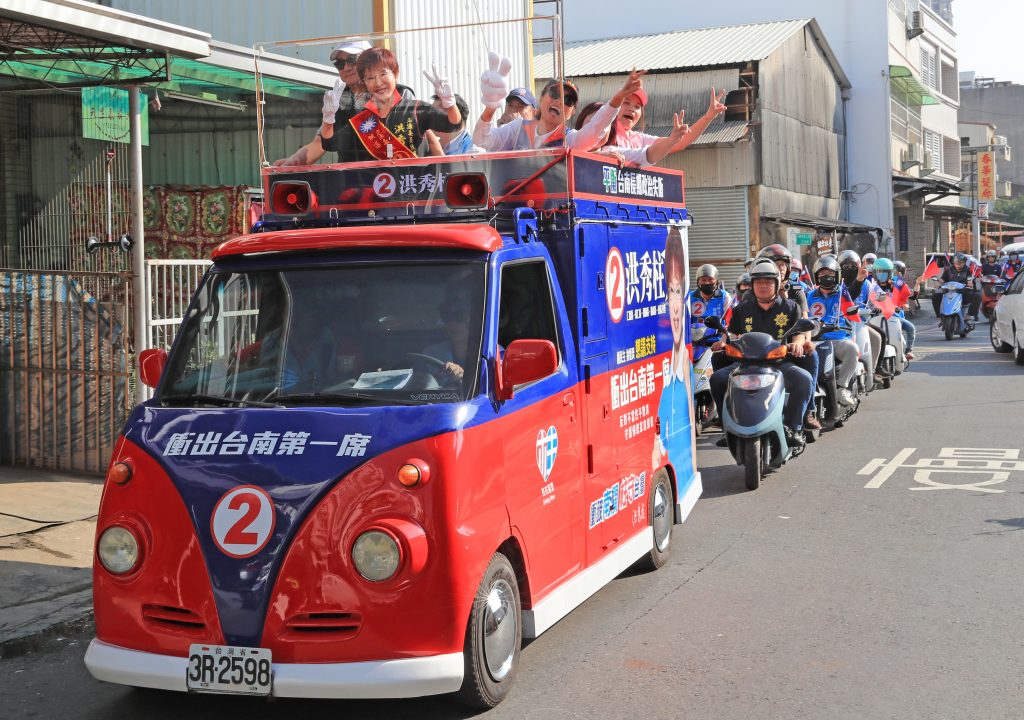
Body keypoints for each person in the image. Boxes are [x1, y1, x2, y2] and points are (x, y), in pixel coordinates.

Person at [709, 258, 815, 449]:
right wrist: (723, 342)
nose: (763, 286)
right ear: (752, 285)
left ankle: (793, 428)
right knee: (717, 379)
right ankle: (728, 428)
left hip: (779, 363)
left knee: (804, 379)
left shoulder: (791, 307)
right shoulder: (742, 309)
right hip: (744, 365)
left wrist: (798, 344)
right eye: (758, 282)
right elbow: (731, 334)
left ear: (777, 283)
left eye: (768, 282)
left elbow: (799, 335)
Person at [473, 51, 644, 151]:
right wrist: (491, 106)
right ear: (541, 98)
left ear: (572, 112)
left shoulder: (570, 140)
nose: (560, 102)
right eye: (555, 93)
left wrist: (620, 96)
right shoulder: (518, 128)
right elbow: (482, 140)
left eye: (568, 100)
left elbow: (596, 129)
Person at [320, 47, 461, 161]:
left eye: (383, 74)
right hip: (377, 186)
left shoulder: (416, 109)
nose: (378, 83)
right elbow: (329, 143)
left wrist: (449, 102)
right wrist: (328, 118)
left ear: (395, 74)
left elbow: (453, 124)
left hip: (413, 184)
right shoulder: (362, 120)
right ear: (365, 83)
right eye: (370, 78)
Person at [273, 40, 374, 166]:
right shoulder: (338, 99)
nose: (346, 68)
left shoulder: (387, 94)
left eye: (352, 60)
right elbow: (319, 143)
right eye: (340, 63)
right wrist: (294, 160)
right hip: (349, 175)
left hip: (387, 174)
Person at [652, 227, 695, 474]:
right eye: (670, 291)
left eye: (679, 291)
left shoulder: (685, 365)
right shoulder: (662, 367)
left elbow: (690, 443)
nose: (676, 305)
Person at [606, 86, 727, 161]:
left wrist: (708, 117)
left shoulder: (640, 138)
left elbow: (678, 143)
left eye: (637, 107)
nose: (632, 109)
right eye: (626, 103)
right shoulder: (605, 131)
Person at [806, 255, 862, 405]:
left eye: (830, 273)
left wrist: (859, 280)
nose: (826, 276)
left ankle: (842, 387)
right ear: (816, 276)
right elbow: (801, 314)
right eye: (822, 273)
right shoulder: (809, 296)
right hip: (814, 341)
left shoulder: (843, 294)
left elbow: (854, 292)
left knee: (852, 349)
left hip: (838, 340)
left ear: (837, 275)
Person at [573, 100, 692, 167]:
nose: (596, 130)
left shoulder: (610, 151)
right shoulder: (569, 141)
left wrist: (672, 140)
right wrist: (597, 156)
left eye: (604, 126)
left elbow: (646, 155)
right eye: (591, 124)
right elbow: (566, 155)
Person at [870, 258, 915, 361]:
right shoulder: (872, 286)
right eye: (879, 271)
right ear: (875, 273)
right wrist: (871, 308)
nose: (881, 274)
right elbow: (867, 302)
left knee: (911, 328)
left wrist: (902, 305)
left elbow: (906, 295)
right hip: (875, 318)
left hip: (894, 317)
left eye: (884, 272)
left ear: (890, 273)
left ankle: (908, 350)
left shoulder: (895, 285)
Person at [688, 264, 732, 350]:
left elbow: (729, 322)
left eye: (710, 279)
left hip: (717, 343)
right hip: (694, 343)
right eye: (703, 280)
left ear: (716, 281)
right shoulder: (690, 297)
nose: (707, 283)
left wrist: (723, 341)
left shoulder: (724, 296)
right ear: (698, 282)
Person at [930, 251, 981, 319]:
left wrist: (970, 281)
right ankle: (939, 316)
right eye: (956, 263)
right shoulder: (948, 270)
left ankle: (970, 315)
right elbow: (943, 280)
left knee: (977, 296)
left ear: (964, 262)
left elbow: (970, 278)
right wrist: (938, 281)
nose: (958, 265)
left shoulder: (968, 270)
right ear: (953, 262)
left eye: (960, 263)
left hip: (963, 292)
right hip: (949, 292)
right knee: (935, 295)